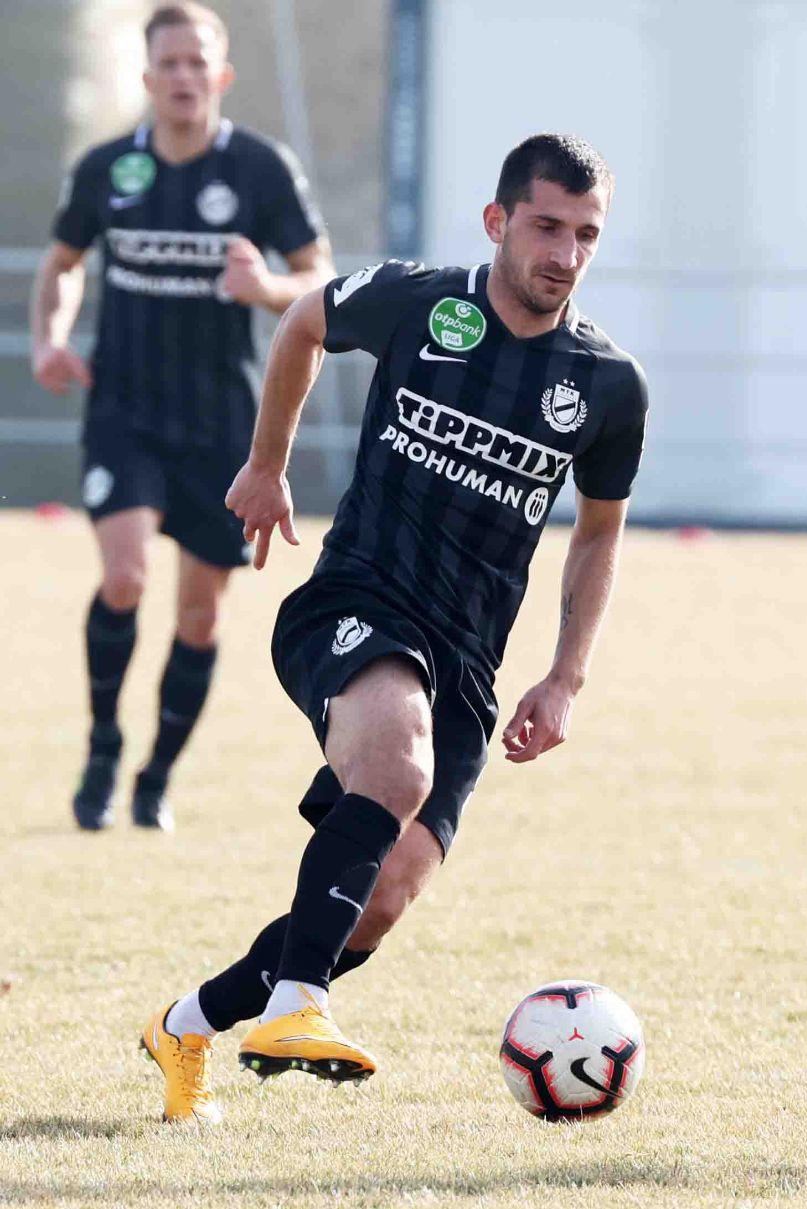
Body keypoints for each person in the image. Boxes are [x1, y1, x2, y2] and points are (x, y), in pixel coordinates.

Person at [139, 133, 648, 1125]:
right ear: (497, 221)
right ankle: (298, 1005)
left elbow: (596, 535)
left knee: (377, 902)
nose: (564, 254)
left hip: (467, 661)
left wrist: (565, 676)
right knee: (396, 764)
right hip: (354, 603)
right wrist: (267, 465)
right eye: (546, 226)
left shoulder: (607, 384)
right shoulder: (419, 301)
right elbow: (301, 323)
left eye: (586, 235)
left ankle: (185, 1024)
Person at [29, 2, 333, 831]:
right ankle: (101, 747)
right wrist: (50, 339)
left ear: (221, 75)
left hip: (223, 424)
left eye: (198, 62)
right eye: (169, 63)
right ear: (147, 77)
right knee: (125, 576)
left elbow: (319, 274)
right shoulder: (107, 169)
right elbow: (62, 264)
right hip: (124, 412)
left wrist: (264, 288)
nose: (184, 77)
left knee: (200, 614)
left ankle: (155, 776)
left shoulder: (260, 170)